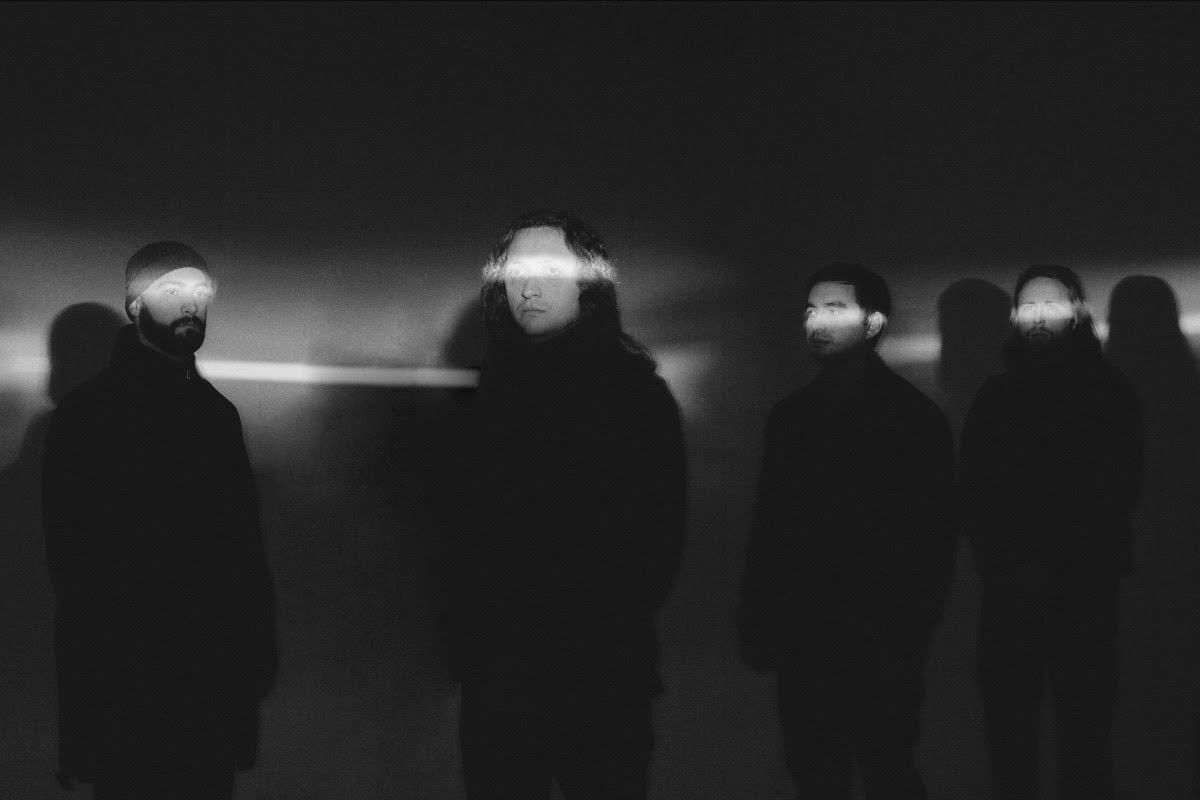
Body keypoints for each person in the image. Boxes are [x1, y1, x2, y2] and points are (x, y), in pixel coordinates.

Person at [444, 210, 687, 799]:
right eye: (515, 272)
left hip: (596, 678)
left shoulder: (634, 398)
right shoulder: (487, 398)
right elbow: (462, 537)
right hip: (509, 681)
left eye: (550, 271)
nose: (527, 287)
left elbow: (656, 544)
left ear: (588, 282)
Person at [42, 241, 278, 800]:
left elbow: (240, 557)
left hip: (189, 693)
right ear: (135, 305)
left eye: (201, 291)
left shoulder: (211, 415)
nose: (192, 303)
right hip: (140, 694)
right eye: (173, 290)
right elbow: (77, 576)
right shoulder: (93, 419)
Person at [737, 262, 956, 799]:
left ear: (874, 323)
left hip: (874, 637)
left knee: (876, 767)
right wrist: (760, 616)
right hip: (817, 637)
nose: (815, 321)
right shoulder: (795, 418)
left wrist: (908, 629)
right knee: (831, 771)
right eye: (811, 311)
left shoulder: (910, 420)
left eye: (834, 309)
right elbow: (771, 528)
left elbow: (931, 540)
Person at [961, 264, 1142, 800]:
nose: (1037, 317)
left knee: (1072, 743)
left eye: (1051, 305)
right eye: (1029, 306)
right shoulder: (1003, 396)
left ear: (1079, 313)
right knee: (1030, 742)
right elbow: (974, 494)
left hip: (1069, 594)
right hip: (1035, 593)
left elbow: (1119, 491)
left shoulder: (1105, 392)